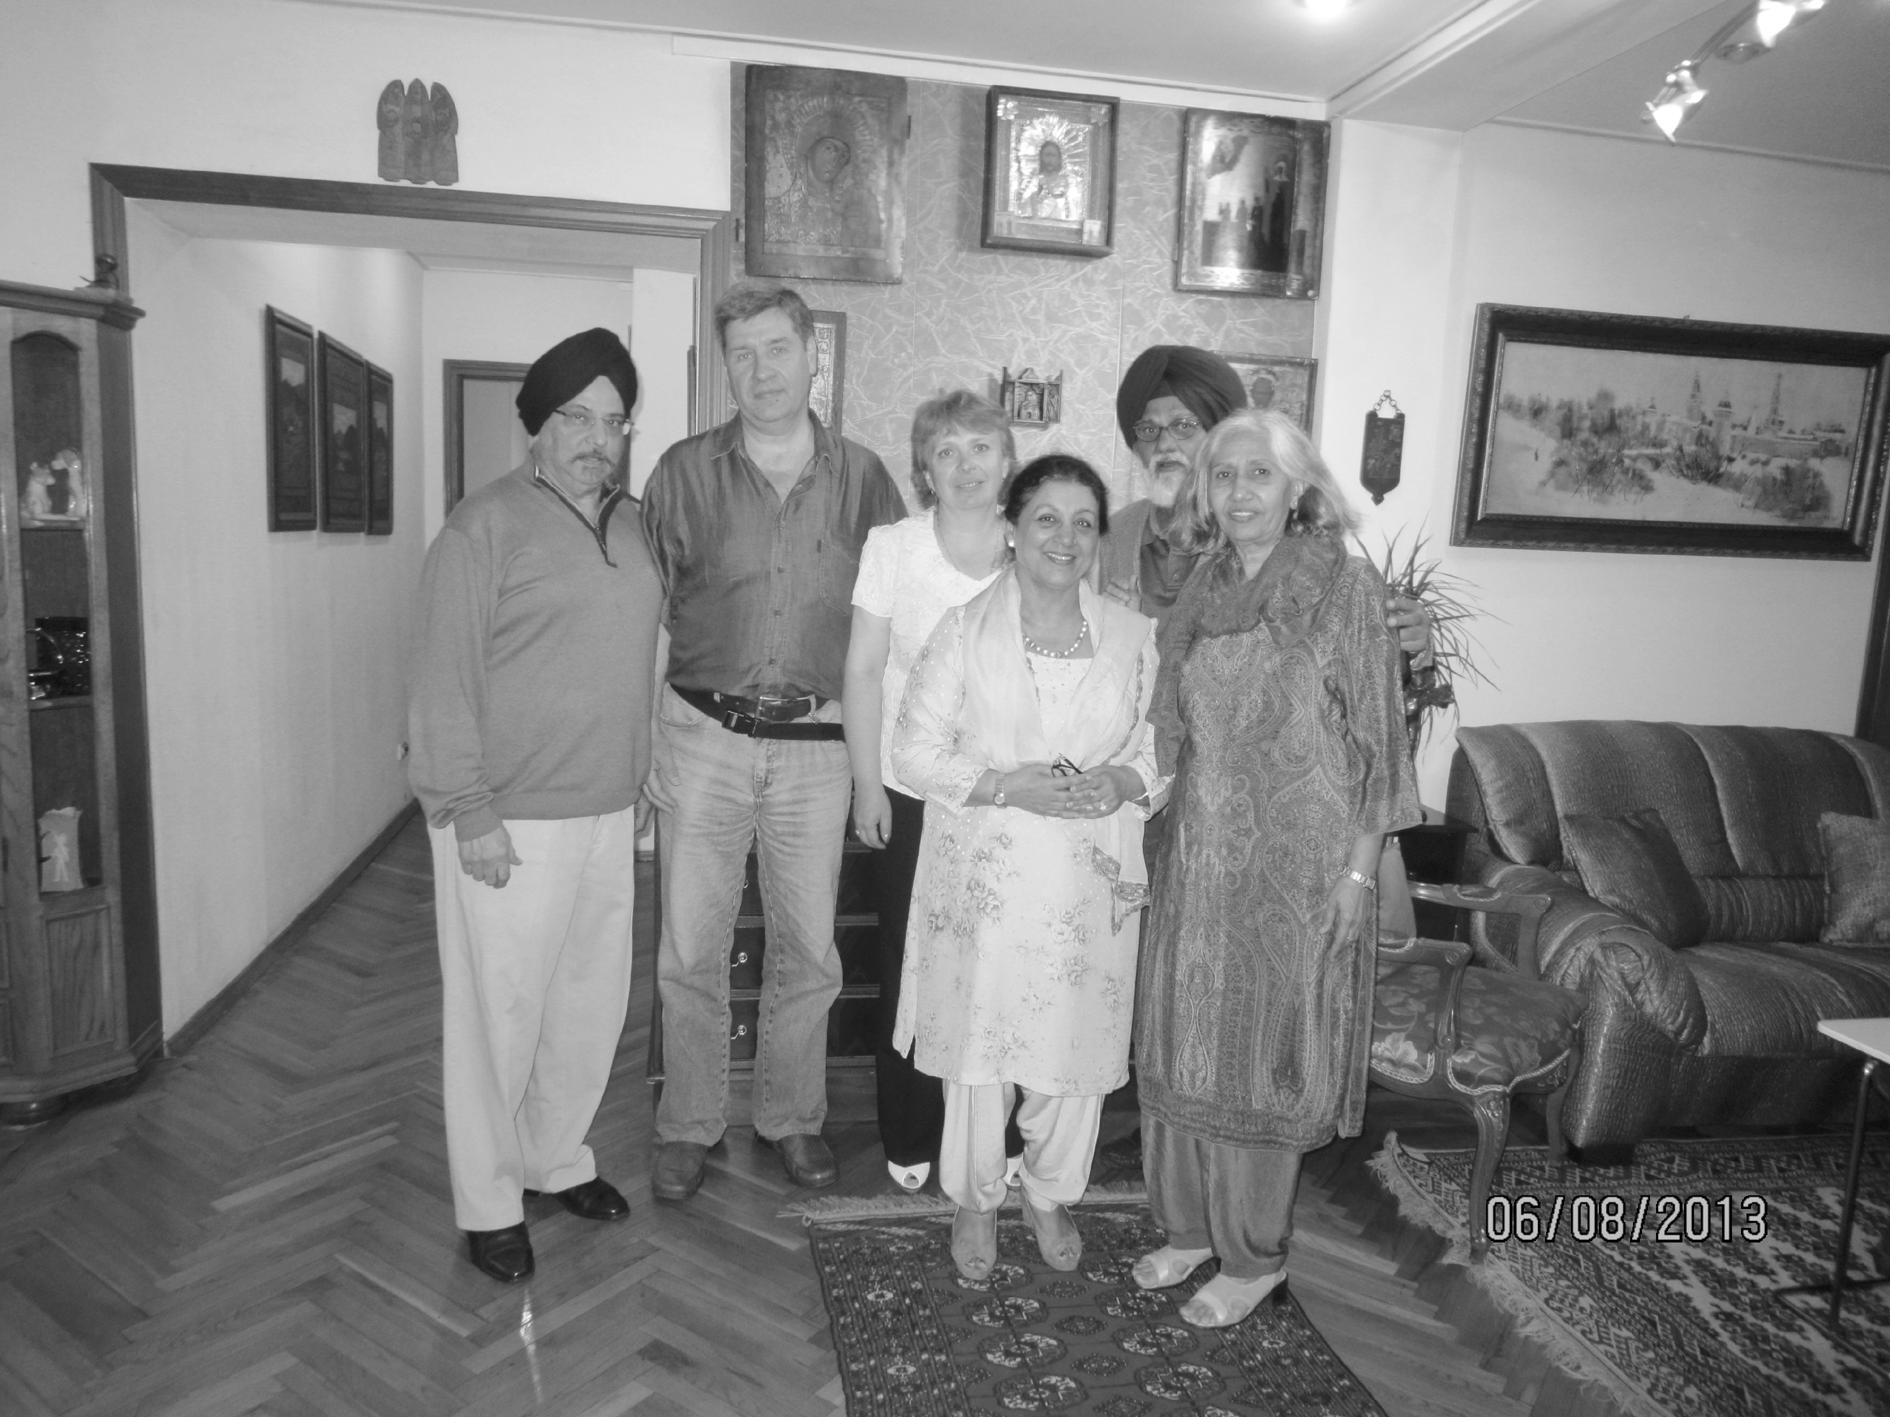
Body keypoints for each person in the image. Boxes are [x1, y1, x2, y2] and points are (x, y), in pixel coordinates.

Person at [1134, 409, 1421, 1327]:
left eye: (1260, 473)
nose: (1240, 491)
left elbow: (1380, 746)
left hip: (1300, 870)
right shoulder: (1201, 587)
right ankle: (1188, 1230)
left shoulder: (1343, 586)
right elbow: (1172, 734)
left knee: (1265, 1059)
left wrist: (1358, 876)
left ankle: (1253, 1255)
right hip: (1200, 859)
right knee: (1184, 1044)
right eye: (1224, 474)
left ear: (1299, 486)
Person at [407, 328, 663, 1284]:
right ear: (537, 426)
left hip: (606, 811)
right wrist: (466, 807)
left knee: (587, 1004)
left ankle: (555, 1159)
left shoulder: (636, 526)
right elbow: (439, 678)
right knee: (498, 1017)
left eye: (614, 421)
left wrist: (640, 776)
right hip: (506, 820)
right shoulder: (483, 526)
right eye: (576, 418)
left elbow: (639, 661)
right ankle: (488, 1201)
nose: (598, 438)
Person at [642, 279, 905, 1202]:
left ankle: (792, 1116)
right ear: (726, 367)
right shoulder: (681, 473)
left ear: (811, 356)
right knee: (689, 947)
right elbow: (652, 618)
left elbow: (891, 624)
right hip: (700, 736)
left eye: (777, 349)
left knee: (809, 949)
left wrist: (878, 763)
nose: (761, 371)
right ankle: (689, 1121)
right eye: (743, 354)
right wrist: (645, 742)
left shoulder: (866, 479)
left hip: (818, 748)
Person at [892, 454, 1165, 1282]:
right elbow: (912, 752)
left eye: (1084, 522)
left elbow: (1159, 750)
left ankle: (1048, 1192)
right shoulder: (963, 630)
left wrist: (1123, 781)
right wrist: (1007, 785)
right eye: (1047, 517)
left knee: (1071, 1053)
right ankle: (976, 1198)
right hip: (986, 880)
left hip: (1088, 883)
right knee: (982, 1051)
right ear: (1012, 528)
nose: (1065, 537)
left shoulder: (1133, 638)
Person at [1102, 343, 1429, 931]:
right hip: (1155, 810)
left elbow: (1353, 687)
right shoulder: (1111, 537)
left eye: (1184, 425)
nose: (1164, 444)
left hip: (1291, 835)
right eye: (1147, 429)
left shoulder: (1297, 556)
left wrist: (1415, 648)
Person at [842, 390, 1021, 1194]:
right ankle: (911, 1128)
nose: (965, 465)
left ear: (1007, 461)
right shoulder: (894, 547)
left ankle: (997, 1129)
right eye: (946, 451)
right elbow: (861, 670)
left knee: (1001, 965)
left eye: (980, 447)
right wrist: (865, 786)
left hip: (1005, 796)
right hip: (908, 789)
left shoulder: (1033, 544)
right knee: (909, 961)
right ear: (924, 470)